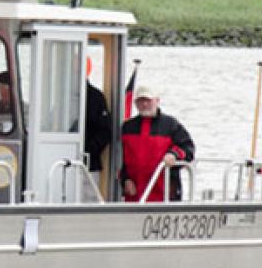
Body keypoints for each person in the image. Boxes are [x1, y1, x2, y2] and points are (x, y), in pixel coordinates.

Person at [119, 86, 195, 202]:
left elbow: (188, 148)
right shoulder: (128, 127)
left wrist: (173, 154)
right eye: (140, 101)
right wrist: (125, 180)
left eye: (148, 100)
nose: (144, 104)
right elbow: (121, 159)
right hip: (134, 196)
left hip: (164, 195)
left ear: (157, 101)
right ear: (135, 103)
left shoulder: (171, 125)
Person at [83, 61, 112, 201]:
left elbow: (105, 131)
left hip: (90, 164)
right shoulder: (59, 94)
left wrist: (89, 150)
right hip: (59, 159)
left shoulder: (96, 97)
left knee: (89, 198)